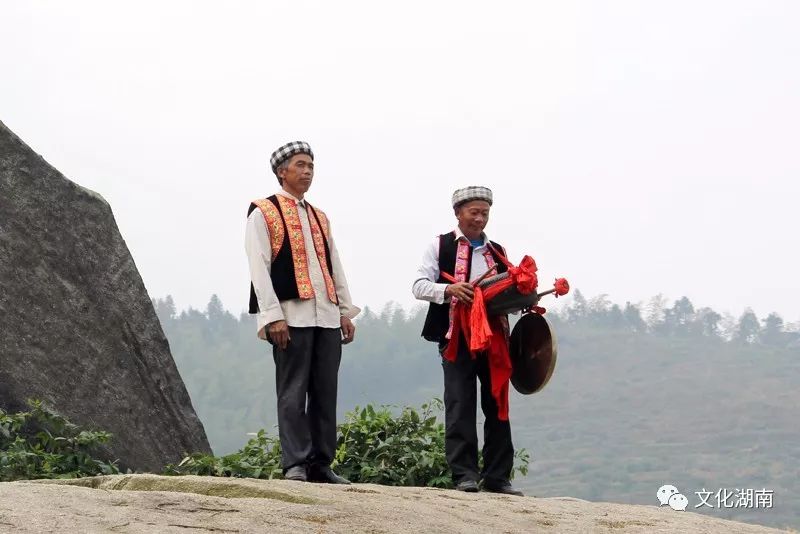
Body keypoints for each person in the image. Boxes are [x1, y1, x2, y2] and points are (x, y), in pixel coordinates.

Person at [245, 141, 360, 483]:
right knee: (292, 392)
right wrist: (272, 316)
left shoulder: (319, 217)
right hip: (290, 317)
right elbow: (258, 266)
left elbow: (333, 265)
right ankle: (295, 463)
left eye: (310, 165)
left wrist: (344, 311)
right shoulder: (263, 211)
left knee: (325, 392)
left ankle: (321, 464)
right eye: (300, 164)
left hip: (325, 316)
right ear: (282, 172)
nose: (307, 171)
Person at [412, 186, 523, 496]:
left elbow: (507, 294)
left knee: (497, 403)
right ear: (458, 213)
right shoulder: (441, 246)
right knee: (460, 402)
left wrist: (521, 296)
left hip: (494, 339)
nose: (479, 218)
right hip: (456, 337)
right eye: (473, 212)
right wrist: (449, 291)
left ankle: (498, 477)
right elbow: (419, 286)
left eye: (484, 213)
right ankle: (465, 475)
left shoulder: (496, 251)